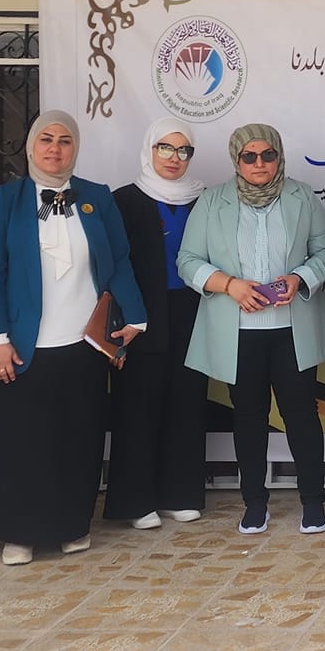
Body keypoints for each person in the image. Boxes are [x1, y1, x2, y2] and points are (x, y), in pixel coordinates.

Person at [0, 110, 147, 566]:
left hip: (83, 344)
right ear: (31, 147)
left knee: (79, 437)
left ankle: (73, 525)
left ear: (75, 148)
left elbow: (119, 261)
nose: (55, 148)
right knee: (22, 442)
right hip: (21, 346)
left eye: (65, 140)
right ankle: (20, 534)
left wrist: (136, 318)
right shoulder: (6, 200)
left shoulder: (96, 197)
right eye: (46, 139)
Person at [178, 123, 325, 536]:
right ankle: (254, 503)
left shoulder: (302, 196)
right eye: (249, 156)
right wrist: (229, 285)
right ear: (236, 160)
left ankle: (313, 501)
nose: (259, 163)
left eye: (268, 155)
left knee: (301, 415)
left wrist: (300, 278)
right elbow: (187, 261)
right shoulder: (212, 201)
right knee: (248, 418)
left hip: (292, 329)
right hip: (238, 332)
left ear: (279, 156)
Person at [106, 118, 210, 530]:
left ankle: (180, 493)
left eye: (183, 150)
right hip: (140, 316)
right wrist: (125, 318)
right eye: (165, 147)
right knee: (138, 406)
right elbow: (113, 265)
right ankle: (136, 501)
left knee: (187, 401)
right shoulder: (124, 201)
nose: (174, 157)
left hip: (193, 311)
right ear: (149, 149)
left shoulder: (205, 199)